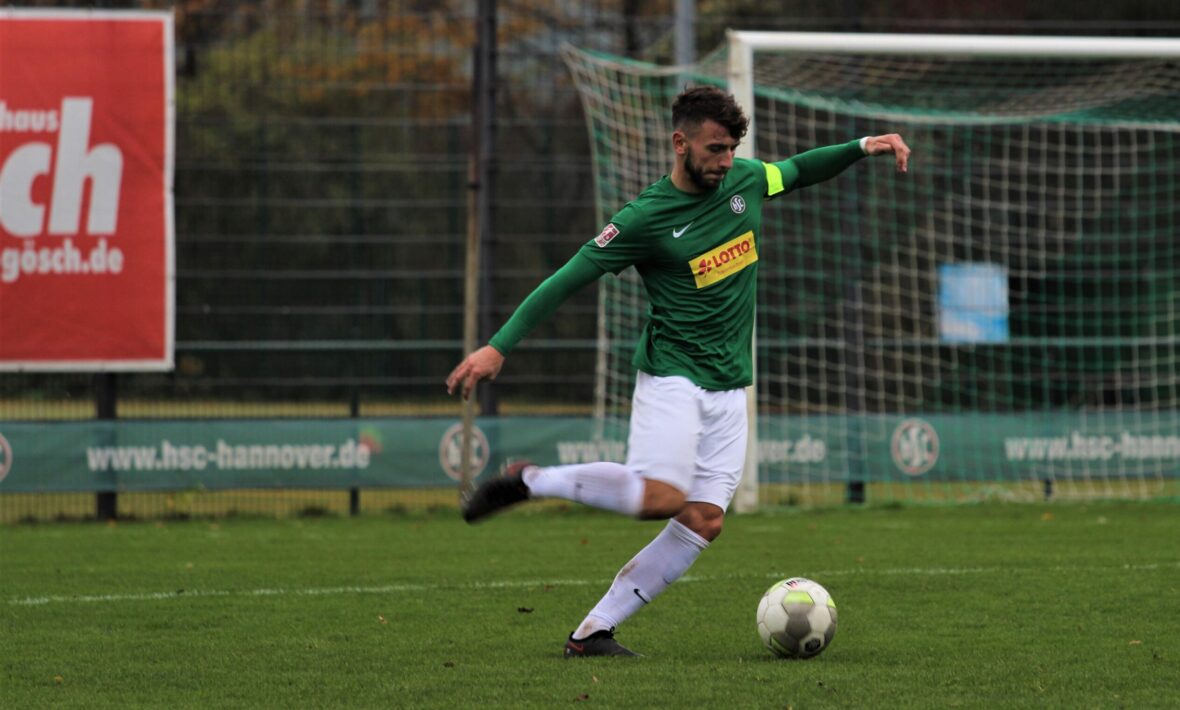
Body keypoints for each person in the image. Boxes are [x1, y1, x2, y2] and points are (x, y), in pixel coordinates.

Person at [446, 85, 910, 657]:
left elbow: (798, 170)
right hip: (674, 376)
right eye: (715, 149)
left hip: (729, 385)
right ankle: (531, 482)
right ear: (680, 142)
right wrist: (498, 347)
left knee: (705, 519)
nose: (725, 161)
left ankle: (592, 633)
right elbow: (567, 278)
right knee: (663, 499)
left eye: (732, 149)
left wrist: (862, 146)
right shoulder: (644, 218)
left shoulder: (745, 181)